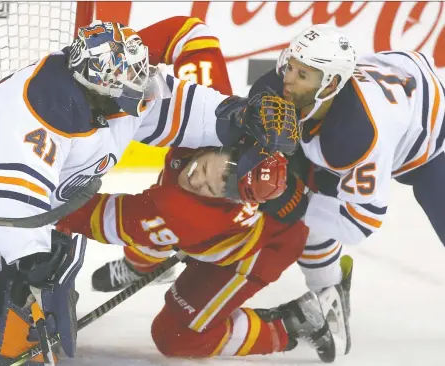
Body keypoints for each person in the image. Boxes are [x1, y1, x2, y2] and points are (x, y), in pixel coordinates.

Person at [0, 19, 300, 365]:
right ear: (101, 88)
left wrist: (234, 114)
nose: (145, 93)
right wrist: (33, 257)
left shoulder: (107, 92)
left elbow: (172, 106)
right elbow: (11, 193)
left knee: (18, 325)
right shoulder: (42, 112)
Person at [57, 17, 336, 362]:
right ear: (233, 145)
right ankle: (141, 264)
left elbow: (95, 216)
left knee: (176, 338)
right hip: (214, 227)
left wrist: (35, 199)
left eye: (227, 190)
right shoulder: (219, 111)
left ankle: (290, 325)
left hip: (254, 253)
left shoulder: (184, 213)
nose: (207, 182)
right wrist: (115, 66)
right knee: (158, 220)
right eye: (228, 173)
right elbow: (189, 32)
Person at [252, 23, 445, 357]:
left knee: (306, 200)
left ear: (330, 86)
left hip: (430, 136)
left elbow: (360, 223)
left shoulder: (356, 135)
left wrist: (293, 200)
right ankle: (329, 291)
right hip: (398, 75)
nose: (288, 80)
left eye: (303, 75)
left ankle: (330, 291)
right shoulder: (277, 88)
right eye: (290, 65)